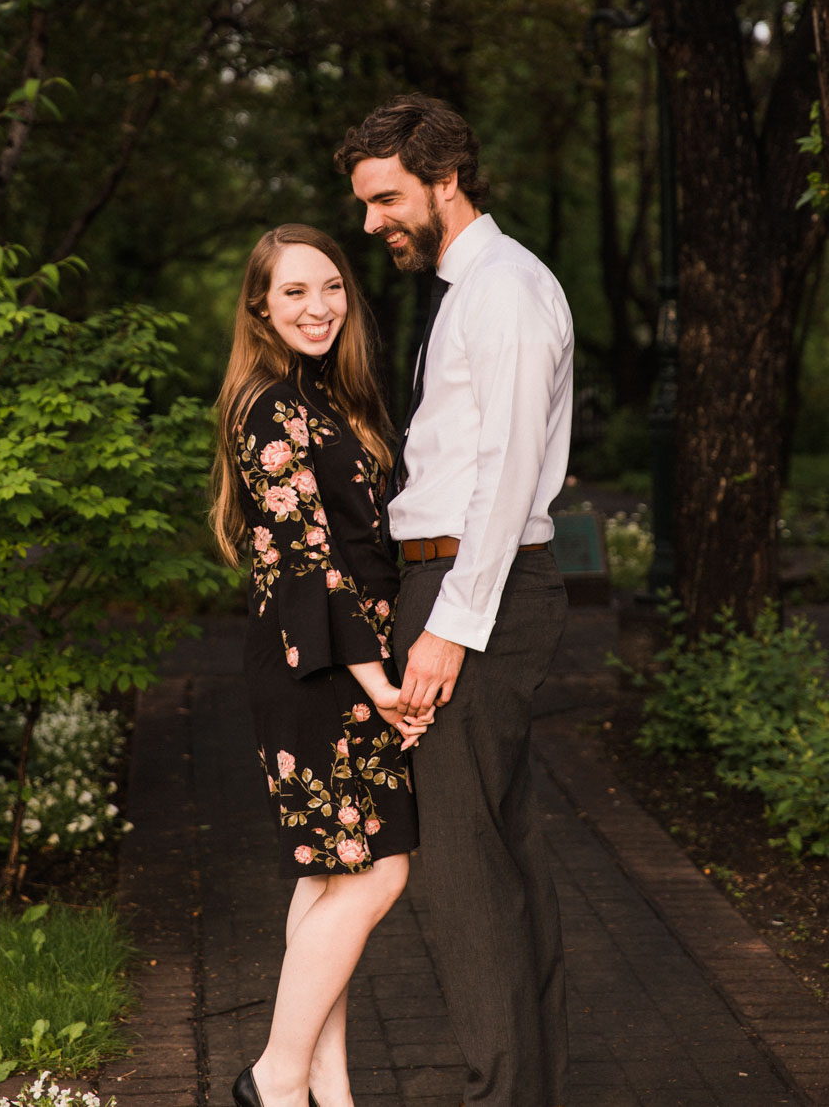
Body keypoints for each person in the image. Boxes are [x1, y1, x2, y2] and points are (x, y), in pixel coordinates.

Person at [335, 95, 574, 1107]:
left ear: (444, 178)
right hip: (459, 582)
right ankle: (526, 1091)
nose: (370, 223)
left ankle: (501, 1096)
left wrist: (448, 625)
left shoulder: (506, 291)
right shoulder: (465, 288)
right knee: (500, 858)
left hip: (476, 587)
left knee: (465, 875)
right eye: (362, 204)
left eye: (385, 198)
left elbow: (509, 473)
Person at [211, 223, 433, 1107]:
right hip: (321, 667)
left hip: (346, 660)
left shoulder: (328, 397)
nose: (318, 306)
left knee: (330, 871)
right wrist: (378, 677)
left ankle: (323, 1089)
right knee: (379, 869)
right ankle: (274, 1075)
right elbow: (310, 559)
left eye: (331, 287)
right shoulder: (268, 404)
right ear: (261, 308)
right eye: (295, 292)